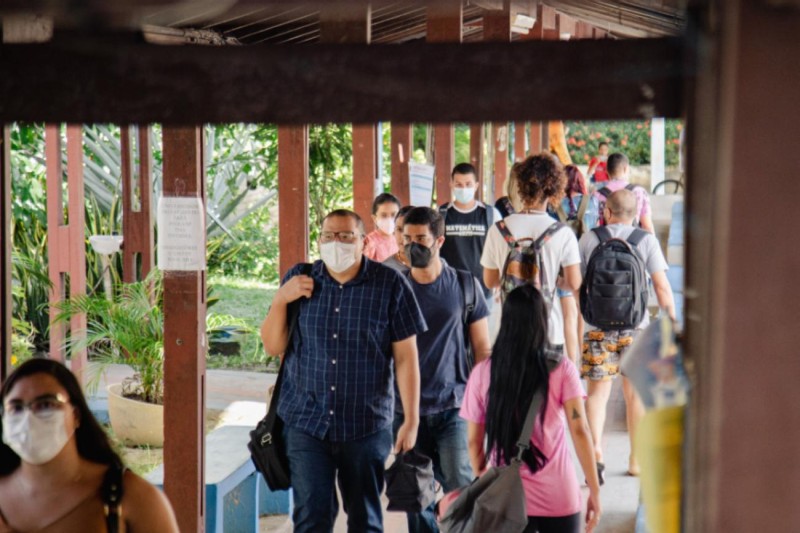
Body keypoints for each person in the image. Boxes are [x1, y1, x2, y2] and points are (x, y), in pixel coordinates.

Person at [260, 209, 426, 533]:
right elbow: (272, 345)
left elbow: (406, 358)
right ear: (319, 241)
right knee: (312, 518)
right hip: (306, 423)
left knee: (365, 520)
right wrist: (282, 298)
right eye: (328, 236)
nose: (336, 243)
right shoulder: (300, 279)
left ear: (363, 241)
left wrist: (412, 419)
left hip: (365, 425)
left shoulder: (390, 284)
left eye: (346, 236)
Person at [460, 285, 602, 533]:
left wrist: (485, 478)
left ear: (506, 322)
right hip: (559, 498)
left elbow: (473, 441)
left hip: (507, 501)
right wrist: (594, 489)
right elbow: (580, 430)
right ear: (542, 322)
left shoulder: (483, 373)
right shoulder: (562, 369)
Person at [396, 207, 492, 533]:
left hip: (455, 405)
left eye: (420, 239)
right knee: (415, 496)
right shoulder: (394, 289)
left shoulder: (465, 285)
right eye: (407, 238)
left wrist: (482, 401)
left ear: (439, 240)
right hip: (406, 411)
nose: (412, 246)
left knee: (460, 488)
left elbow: (482, 349)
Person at [0, 358, 179, 532]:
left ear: (76, 415)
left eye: (46, 404)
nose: (29, 418)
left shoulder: (130, 497)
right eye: (16, 408)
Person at [579, 189, 676, 479]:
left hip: (597, 330)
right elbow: (661, 286)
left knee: (597, 395)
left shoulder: (589, 238)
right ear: (635, 215)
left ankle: (595, 452)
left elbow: (577, 283)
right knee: (635, 397)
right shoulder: (644, 240)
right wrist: (671, 320)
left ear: (606, 212)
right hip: (636, 329)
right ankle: (636, 460)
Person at [481, 153, 582, 354]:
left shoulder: (498, 229)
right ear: (553, 189)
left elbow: (490, 281)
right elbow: (574, 283)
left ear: (520, 186)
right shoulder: (562, 233)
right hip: (549, 332)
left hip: (508, 333)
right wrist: (552, 279)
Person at [439, 163, 502, 305]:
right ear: (451, 185)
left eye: (468, 184)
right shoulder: (441, 214)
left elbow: (501, 249)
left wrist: (499, 282)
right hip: (450, 291)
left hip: (483, 291)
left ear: (476, 185)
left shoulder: (491, 214)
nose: (463, 189)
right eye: (459, 185)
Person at [593, 152, 655, 233]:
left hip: (606, 242)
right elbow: (647, 226)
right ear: (626, 168)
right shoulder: (639, 192)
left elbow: (594, 225)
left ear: (606, 171)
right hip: (633, 242)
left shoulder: (596, 195)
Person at [363, 192, 401, 262]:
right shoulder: (370, 242)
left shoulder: (399, 240)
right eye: (384, 215)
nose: (389, 219)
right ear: (374, 218)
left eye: (393, 215)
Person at [383, 205, 414, 273]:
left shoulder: (433, 265)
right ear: (394, 232)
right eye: (399, 229)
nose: (403, 236)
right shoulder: (385, 269)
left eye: (409, 230)